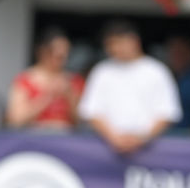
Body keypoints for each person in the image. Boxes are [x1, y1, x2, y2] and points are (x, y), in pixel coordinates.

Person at [78, 19, 181, 155]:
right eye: (110, 45)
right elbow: (91, 110)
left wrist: (140, 139)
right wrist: (114, 139)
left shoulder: (157, 71)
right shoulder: (102, 71)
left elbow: (167, 113)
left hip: (149, 153)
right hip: (106, 151)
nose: (113, 49)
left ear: (134, 41)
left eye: (117, 43)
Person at [5, 27, 83, 130]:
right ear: (43, 52)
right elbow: (15, 120)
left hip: (66, 140)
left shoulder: (74, 81)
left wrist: (69, 96)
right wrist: (47, 98)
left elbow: (82, 121)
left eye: (65, 56)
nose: (62, 61)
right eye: (58, 56)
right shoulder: (25, 80)